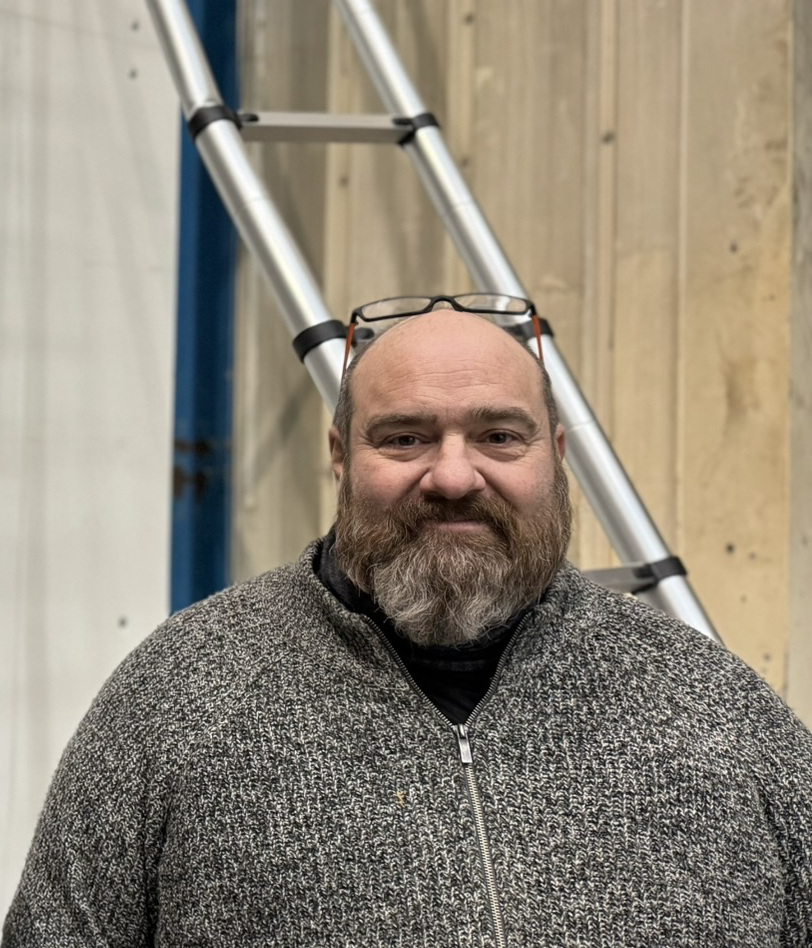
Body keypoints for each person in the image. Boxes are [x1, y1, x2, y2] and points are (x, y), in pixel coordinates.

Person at [3, 298, 812, 948]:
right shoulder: (179, 694)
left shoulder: (712, 705)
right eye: (405, 438)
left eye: (499, 436)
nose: (454, 476)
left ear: (556, 455)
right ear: (340, 455)